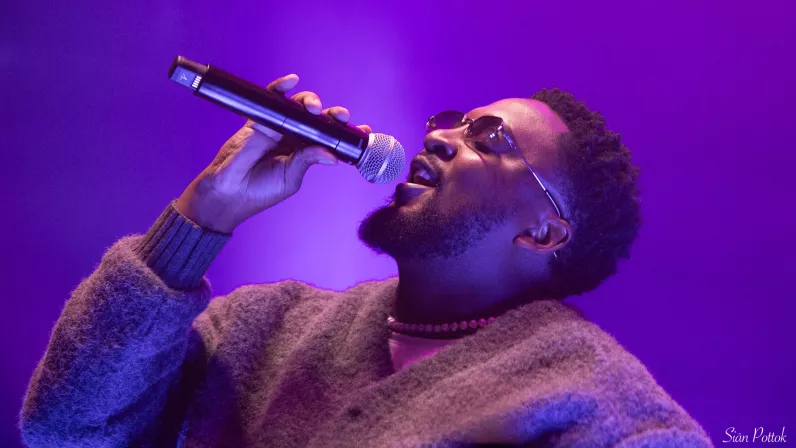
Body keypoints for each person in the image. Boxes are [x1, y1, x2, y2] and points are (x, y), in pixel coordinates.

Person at [19, 73, 713, 447]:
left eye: (489, 138)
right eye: (451, 121)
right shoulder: (263, 327)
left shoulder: (592, 399)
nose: (440, 136)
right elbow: (66, 427)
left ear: (542, 232)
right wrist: (205, 214)